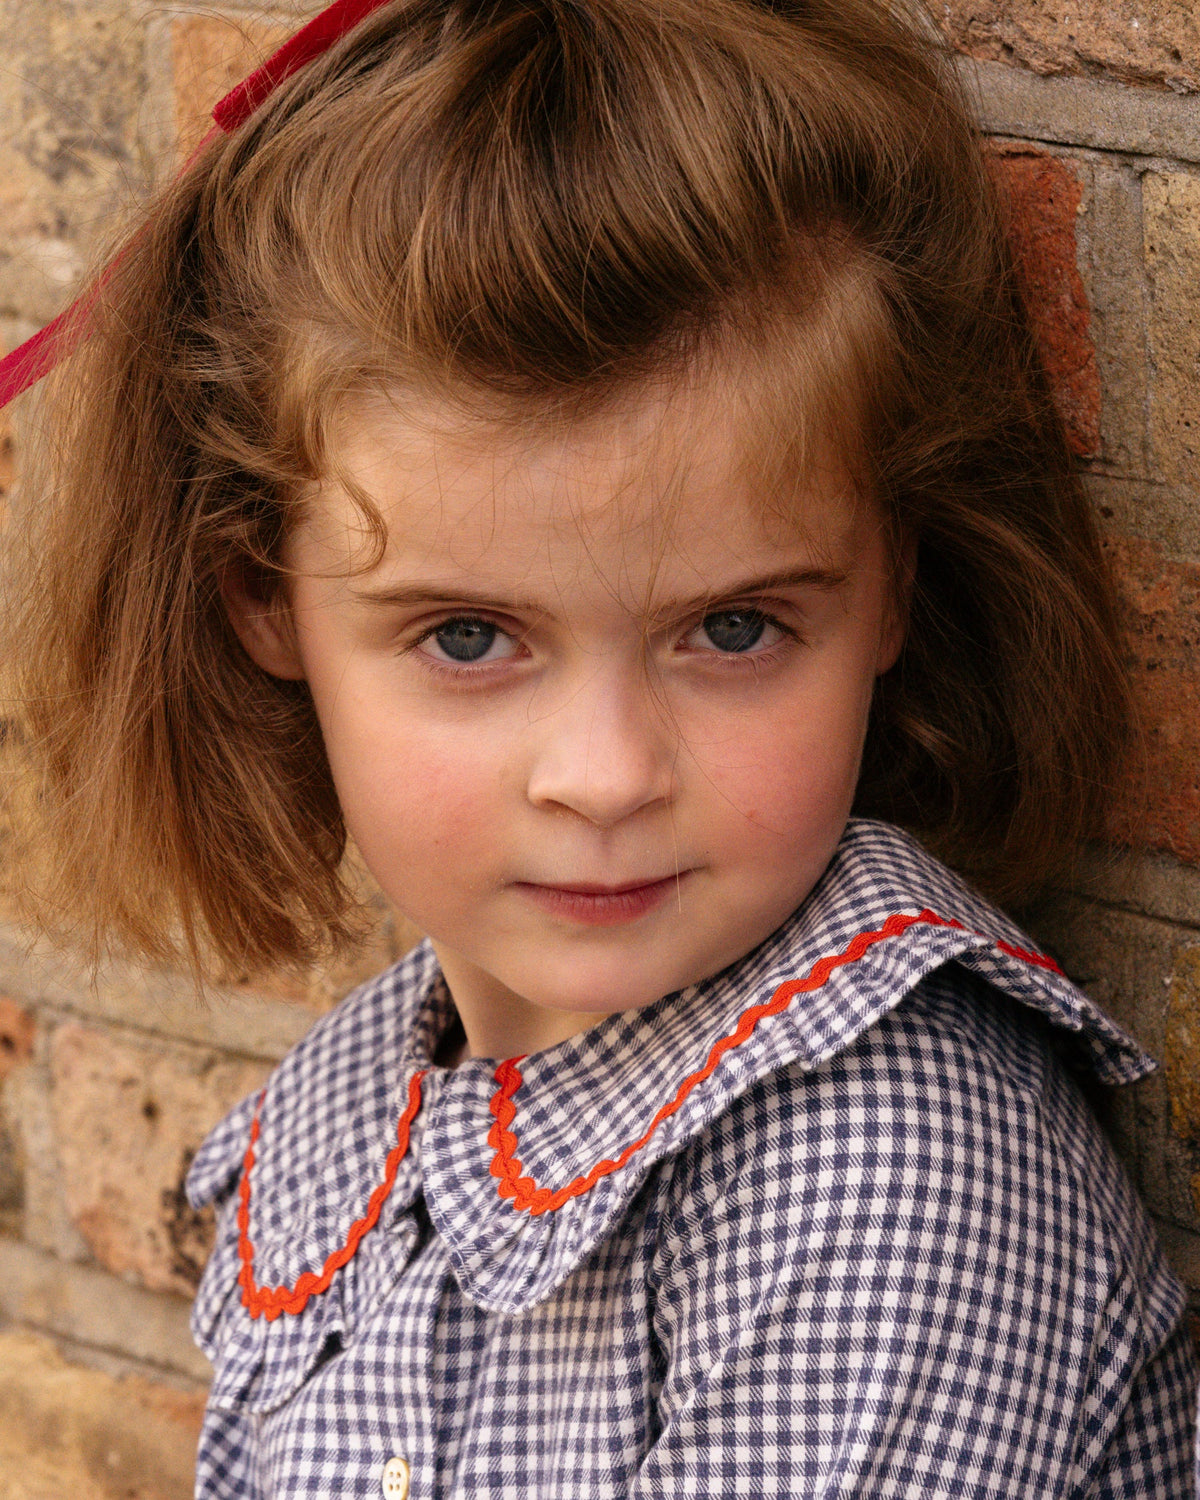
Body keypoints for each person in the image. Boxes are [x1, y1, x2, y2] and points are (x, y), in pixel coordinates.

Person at [3, 0, 1196, 1494]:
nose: (608, 774)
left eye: (737, 630)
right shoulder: (344, 1120)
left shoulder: (886, 1180)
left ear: (891, 578)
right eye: (468, 638)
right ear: (264, 599)